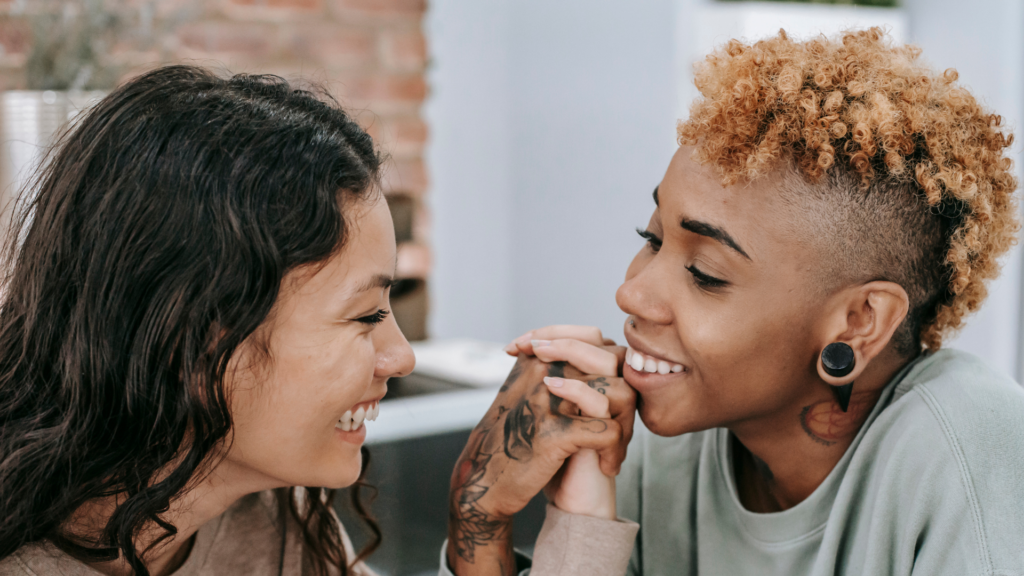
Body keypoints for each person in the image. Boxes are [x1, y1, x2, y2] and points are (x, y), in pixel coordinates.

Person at [0, 65, 627, 576]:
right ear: (192, 340)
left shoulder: (270, 510)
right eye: (365, 314)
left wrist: (479, 514)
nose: (401, 356)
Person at [442, 28, 1024, 576]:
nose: (631, 293)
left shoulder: (975, 452)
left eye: (704, 274)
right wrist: (484, 518)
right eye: (652, 239)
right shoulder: (659, 454)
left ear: (858, 322)